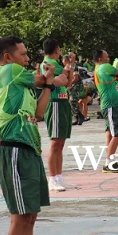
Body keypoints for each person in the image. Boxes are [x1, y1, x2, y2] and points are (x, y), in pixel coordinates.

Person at [0, 36, 65, 235]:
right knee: (19, 216)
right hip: (14, 150)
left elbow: (40, 113)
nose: (27, 59)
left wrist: (49, 86)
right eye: (22, 54)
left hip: (29, 149)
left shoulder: (19, 86)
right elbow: (43, 79)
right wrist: (51, 79)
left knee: (30, 215)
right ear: (8, 56)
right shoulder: (8, 70)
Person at [42, 38, 76, 192]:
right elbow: (66, 78)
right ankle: (52, 179)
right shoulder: (49, 63)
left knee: (60, 143)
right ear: (56, 49)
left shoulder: (55, 64)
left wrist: (70, 66)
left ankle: (59, 177)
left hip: (62, 102)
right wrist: (69, 67)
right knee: (55, 142)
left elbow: (68, 82)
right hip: (54, 102)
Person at [94, 50, 118, 172]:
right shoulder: (104, 67)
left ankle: (110, 160)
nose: (108, 59)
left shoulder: (102, 68)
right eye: (106, 57)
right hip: (111, 104)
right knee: (117, 134)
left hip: (112, 104)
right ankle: (109, 162)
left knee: (110, 133)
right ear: (100, 59)